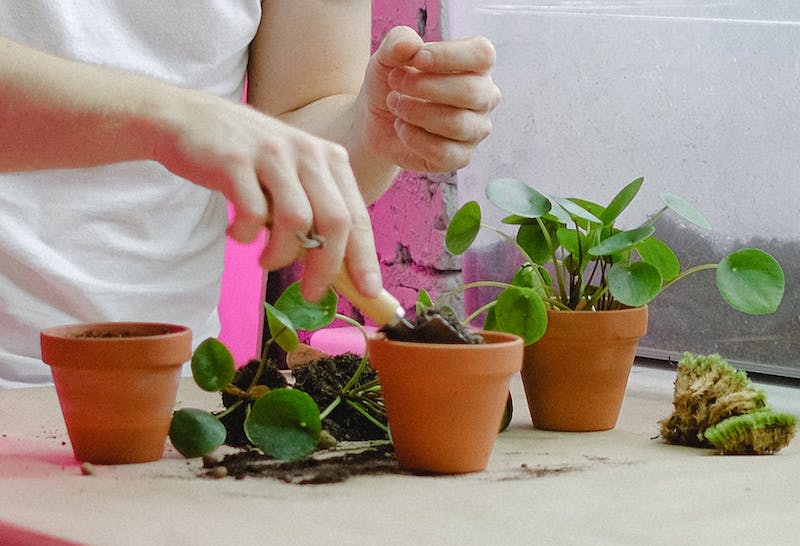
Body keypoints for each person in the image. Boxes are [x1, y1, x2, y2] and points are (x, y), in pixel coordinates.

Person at [0, 1, 500, 388]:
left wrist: (370, 131)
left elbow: (292, 121)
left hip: (163, 390)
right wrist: (166, 119)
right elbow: (193, 126)